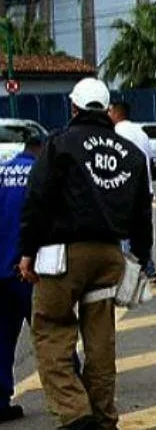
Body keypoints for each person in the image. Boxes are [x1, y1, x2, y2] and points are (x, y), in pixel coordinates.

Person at [18, 78, 153, 430]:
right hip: (109, 257)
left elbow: (38, 201)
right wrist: (140, 258)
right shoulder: (132, 155)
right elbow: (143, 213)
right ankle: (104, 418)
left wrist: (26, 252)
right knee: (100, 343)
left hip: (62, 258)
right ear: (107, 110)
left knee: (50, 332)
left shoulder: (59, 145)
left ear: (73, 108)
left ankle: (77, 417)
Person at [0, 131, 44, 423]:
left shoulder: (2, 172)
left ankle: (0, 401)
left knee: (1, 340)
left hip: (0, 271)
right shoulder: (41, 174)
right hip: (28, 271)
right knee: (52, 334)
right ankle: (75, 399)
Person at [108, 101, 156, 282]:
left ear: (116, 113)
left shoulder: (115, 133)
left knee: (124, 234)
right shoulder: (141, 133)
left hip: (125, 190)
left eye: (110, 111)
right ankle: (149, 268)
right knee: (144, 230)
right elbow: (150, 161)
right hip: (146, 190)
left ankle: (128, 274)